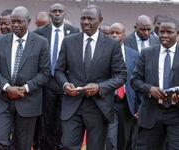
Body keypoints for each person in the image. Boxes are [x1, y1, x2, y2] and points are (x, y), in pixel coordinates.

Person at [55, 5, 127, 150]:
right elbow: (58, 71)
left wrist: (100, 87)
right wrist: (65, 84)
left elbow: (121, 75)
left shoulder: (111, 44)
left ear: (100, 20)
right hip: (72, 105)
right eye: (83, 18)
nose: (85, 22)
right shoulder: (69, 41)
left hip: (99, 106)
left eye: (90, 19)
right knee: (67, 145)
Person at [0, 6, 50, 150]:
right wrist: (7, 87)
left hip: (28, 101)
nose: (15, 25)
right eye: (13, 22)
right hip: (3, 100)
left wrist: (25, 88)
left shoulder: (41, 42)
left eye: (19, 22)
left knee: (22, 145)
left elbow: (45, 73)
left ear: (28, 21)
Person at [33, 3, 79, 150]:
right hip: (47, 82)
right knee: (47, 121)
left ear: (65, 13)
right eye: (54, 11)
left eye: (60, 11)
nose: (57, 14)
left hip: (66, 81)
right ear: (50, 14)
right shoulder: (40, 32)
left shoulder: (74, 32)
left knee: (63, 119)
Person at [131, 17, 179, 150]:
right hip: (151, 112)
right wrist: (149, 89)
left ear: (177, 33)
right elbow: (134, 80)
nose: (164, 35)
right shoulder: (147, 53)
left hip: (176, 114)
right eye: (161, 32)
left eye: (169, 32)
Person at [106, 22, 139, 150]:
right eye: (111, 33)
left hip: (127, 103)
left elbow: (138, 79)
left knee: (124, 139)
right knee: (110, 138)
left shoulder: (134, 55)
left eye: (117, 33)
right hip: (109, 101)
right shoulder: (102, 53)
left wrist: (140, 105)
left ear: (124, 35)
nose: (114, 35)